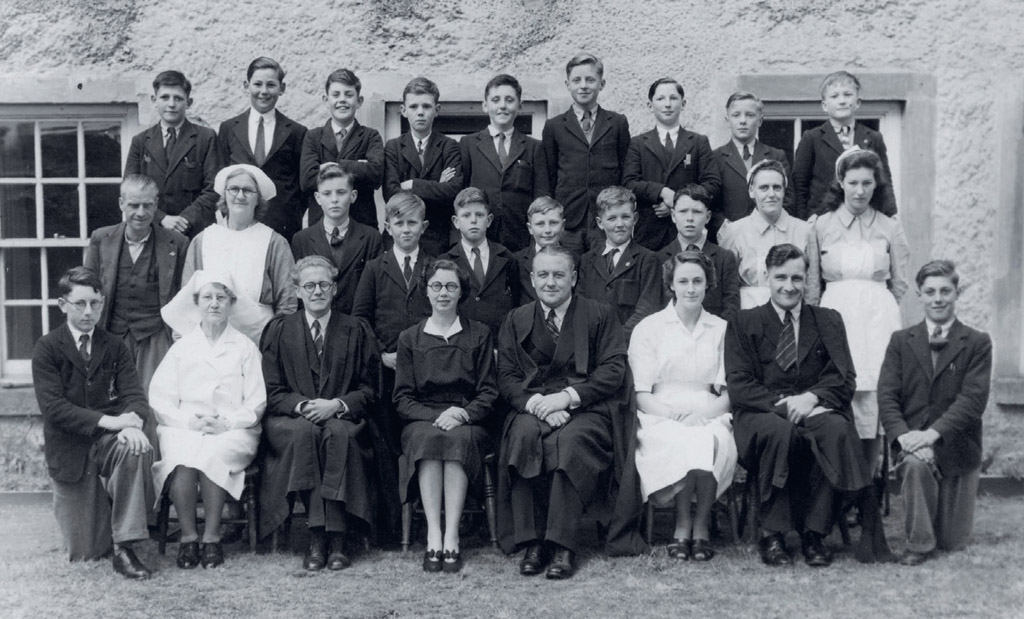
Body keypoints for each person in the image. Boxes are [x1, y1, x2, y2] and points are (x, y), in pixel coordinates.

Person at [724, 244, 882, 567]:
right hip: (762, 414)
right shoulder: (743, 322)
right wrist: (784, 405)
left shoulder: (827, 320)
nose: (789, 286)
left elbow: (844, 377)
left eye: (797, 278)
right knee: (781, 432)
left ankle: (815, 533)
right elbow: (739, 386)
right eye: (780, 277)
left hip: (814, 407)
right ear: (767, 276)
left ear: (807, 278)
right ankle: (772, 534)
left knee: (837, 429)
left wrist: (811, 398)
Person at [496, 245, 644, 580]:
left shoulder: (600, 315)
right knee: (522, 436)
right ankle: (533, 542)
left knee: (572, 442)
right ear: (532, 279)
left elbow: (612, 370)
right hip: (533, 407)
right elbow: (506, 375)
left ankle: (563, 544)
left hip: (586, 408)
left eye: (559, 274)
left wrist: (566, 397)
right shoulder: (516, 319)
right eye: (544, 275)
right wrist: (538, 406)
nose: (551, 282)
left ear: (574, 277)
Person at [32, 266, 155, 579]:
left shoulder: (114, 345)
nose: (89, 312)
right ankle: (104, 519)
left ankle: (125, 546)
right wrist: (112, 421)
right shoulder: (47, 348)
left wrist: (131, 423)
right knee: (85, 552)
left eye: (95, 304)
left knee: (135, 447)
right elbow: (54, 409)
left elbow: (136, 397)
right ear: (63, 305)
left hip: (107, 445)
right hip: (70, 449)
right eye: (80, 304)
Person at [260, 256, 379, 571]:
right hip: (291, 420)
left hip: (343, 418)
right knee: (307, 432)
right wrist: (303, 407)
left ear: (335, 288)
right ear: (297, 290)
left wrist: (336, 405)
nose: (317, 291)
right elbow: (272, 391)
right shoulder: (280, 330)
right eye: (309, 285)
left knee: (337, 434)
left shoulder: (356, 329)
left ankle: (336, 539)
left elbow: (369, 390)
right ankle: (317, 536)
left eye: (323, 284)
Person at [149, 271, 266, 569]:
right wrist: (190, 422)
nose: (214, 304)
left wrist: (227, 422)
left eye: (221, 297)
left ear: (231, 303)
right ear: (197, 302)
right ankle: (189, 538)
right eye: (208, 297)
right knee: (184, 456)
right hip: (184, 425)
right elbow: (160, 398)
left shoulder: (244, 348)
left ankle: (212, 538)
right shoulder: (181, 348)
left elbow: (256, 401)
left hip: (234, 429)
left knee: (213, 452)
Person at [879, 260, 991, 566]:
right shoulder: (901, 341)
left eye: (945, 290)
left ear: (957, 293)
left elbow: (972, 401)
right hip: (911, 443)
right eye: (930, 291)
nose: (938, 298)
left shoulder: (977, 342)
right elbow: (887, 396)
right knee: (915, 465)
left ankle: (940, 525)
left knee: (953, 542)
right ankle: (919, 544)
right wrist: (905, 439)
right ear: (919, 294)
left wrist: (930, 436)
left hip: (956, 447)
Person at [629, 251, 737, 561]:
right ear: (671, 285)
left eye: (698, 281)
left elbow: (730, 390)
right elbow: (640, 391)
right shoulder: (650, 328)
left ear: (708, 285)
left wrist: (704, 415)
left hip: (709, 408)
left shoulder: (720, 328)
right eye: (683, 281)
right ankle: (682, 523)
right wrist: (673, 416)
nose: (691, 289)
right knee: (681, 438)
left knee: (710, 438)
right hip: (658, 411)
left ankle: (701, 525)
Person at [393, 259, 499, 573]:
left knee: (456, 440)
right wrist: (435, 416)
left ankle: (451, 531)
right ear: (426, 291)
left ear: (461, 292)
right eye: (436, 286)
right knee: (429, 437)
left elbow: (489, 392)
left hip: (467, 421)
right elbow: (402, 397)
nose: (443, 293)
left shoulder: (478, 334)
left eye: (451, 286)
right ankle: (433, 534)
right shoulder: (410, 338)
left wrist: (463, 414)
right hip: (422, 421)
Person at [812, 148, 910, 462]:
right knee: (839, 392)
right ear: (840, 182)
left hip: (877, 319)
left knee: (874, 397)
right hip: (836, 315)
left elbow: (900, 281)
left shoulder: (889, 227)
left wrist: (877, 304)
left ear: (875, 185)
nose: (860, 190)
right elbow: (813, 285)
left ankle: (867, 486)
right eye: (853, 182)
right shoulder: (821, 226)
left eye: (867, 183)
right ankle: (838, 488)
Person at [84, 174, 189, 456]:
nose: (140, 213)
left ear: (156, 206)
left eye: (147, 205)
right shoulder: (101, 239)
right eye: (133, 205)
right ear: (121, 204)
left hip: (155, 336)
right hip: (112, 335)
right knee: (110, 403)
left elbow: (183, 295)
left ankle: (153, 488)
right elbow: (87, 290)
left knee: (153, 405)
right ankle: (113, 483)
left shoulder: (176, 243)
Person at [181, 164, 297, 343]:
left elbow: (287, 302)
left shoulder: (274, 242)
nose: (240, 196)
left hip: (260, 338)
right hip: (210, 340)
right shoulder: (203, 240)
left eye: (248, 190)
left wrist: (274, 343)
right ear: (224, 195)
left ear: (258, 199)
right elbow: (188, 297)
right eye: (234, 189)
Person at [543, 53, 630, 253]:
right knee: (568, 271)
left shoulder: (617, 123)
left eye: (590, 80)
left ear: (602, 83)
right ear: (568, 84)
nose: (583, 85)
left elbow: (625, 170)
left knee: (603, 273)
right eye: (577, 80)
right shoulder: (554, 126)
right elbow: (548, 173)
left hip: (606, 217)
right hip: (568, 219)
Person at [623, 77, 721, 250]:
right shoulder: (638, 143)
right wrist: (661, 192)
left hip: (689, 234)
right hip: (649, 234)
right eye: (660, 99)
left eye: (673, 98)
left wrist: (678, 204)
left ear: (683, 104)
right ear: (650, 105)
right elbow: (629, 183)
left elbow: (712, 184)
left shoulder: (698, 142)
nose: (667, 104)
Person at [218, 57, 308, 242]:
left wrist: (290, 213)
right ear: (246, 85)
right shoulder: (229, 128)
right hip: (239, 222)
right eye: (257, 84)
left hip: (282, 224)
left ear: (281, 88)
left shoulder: (296, 131)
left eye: (271, 85)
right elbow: (220, 177)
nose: (264, 91)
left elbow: (303, 185)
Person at [125, 70, 221, 237]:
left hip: (194, 231)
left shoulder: (206, 138)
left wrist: (185, 219)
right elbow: (130, 189)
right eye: (165, 97)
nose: (171, 104)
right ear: (154, 100)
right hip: (153, 230)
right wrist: (161, 218)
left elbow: (214, 188)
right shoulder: (140, 142)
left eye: (178, 98)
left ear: (188, 102)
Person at [460, 73, 549, 252]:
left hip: (521, 239)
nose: (502, 106)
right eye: (495, 100)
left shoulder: (534, 147)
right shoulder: (468, 144)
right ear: (485, 106)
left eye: (509, 100)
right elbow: (460, 195)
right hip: (481, 239)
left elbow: (541, 197)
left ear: (520, 106)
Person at [792, 71, 897, 219]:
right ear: (824, 105)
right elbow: (800, 185)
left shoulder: (873, 138)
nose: (842, 101)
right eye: (834, 96)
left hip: (864, 216)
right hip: (824, 218)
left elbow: (884, 182)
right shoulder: (812, 138)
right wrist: (802, 221)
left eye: (847, 95)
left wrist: (891, 214)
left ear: (858, 102)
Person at [718, 159, 820, 309]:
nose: (771, 194)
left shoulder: (804, 230)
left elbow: (812, 286)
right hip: (749, 314)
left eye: (777, 187)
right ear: (752, 191)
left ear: (784, 191)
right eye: (764, 188)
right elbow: (727, 286)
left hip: (793, 315)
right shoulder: (734, 231)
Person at [384, 77, 463, 256]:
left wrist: (411, 185)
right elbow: (391, 193)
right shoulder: (393, 147)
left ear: (437, 110)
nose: (420, 112)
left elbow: (453, 190)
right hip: (400, 239)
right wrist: (437, 186)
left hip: (438, 237)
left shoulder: (449, 146)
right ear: (403, 110)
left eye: (426, 106)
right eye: (414, 107)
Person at [291, 164, 384, 315]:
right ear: (318, 198)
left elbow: (376, 291)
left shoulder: (370, 238)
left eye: (341, 193)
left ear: (353, 196)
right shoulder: (302, 239)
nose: (334, 199)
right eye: (327, 194)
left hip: (358, 325)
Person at [299, 68, 384, 228]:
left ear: (359, 101)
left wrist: (335, 166)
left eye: (349, 95)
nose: (342, 100)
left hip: (362, 227)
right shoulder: (313, 137)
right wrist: (358, 165)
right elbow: (307, 180)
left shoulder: (370, 136)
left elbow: (376, 174)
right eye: (336, 95)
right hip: (320, 227)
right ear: (326, 100)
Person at [575, 185, 662, 336]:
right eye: (612, 218)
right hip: (593, 342)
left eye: (625, 217)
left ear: (635, 219)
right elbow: (581, 305)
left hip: (630, 343)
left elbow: (646, 309)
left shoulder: (648, 260)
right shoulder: (587, 260)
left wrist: (616, 340)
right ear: (600, 222)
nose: (619, 224)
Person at [439, 187, 521, 338]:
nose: (473, 220)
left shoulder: (506, 258)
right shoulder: (446, 262)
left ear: (489, 220)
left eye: (479, 214)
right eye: (466, 215)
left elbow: (515, 300)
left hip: (499, 342)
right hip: (460, 343)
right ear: (456, 222)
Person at [711, 91, 794, 239]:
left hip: (770, 233)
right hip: (730, 235)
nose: (742, 121)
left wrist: (768, 224)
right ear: (727, 119)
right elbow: (710, 201)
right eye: (736, 115)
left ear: (760, 121)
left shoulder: (776, 156)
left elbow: (787, 198)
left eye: (749, 115)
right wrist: (725, 227)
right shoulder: (714, 158)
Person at [656, 185, 740, 322]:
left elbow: (731, 306)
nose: (690, 218)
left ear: (708, 217)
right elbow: (656, 308)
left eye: (696, 212)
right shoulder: (659, 258)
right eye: (683, 211)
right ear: (673, 216)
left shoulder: (724, 258)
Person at [513, 196, 566, 304]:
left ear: (563, 225)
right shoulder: (516, 261)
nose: (547, 230)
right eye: (540, 224)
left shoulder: (576, 260)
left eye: (553, 223)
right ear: (530, 228)